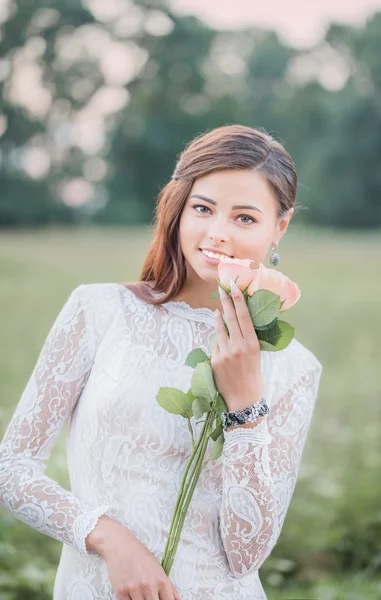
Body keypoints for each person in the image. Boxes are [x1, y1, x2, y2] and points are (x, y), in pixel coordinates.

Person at [0, 124, 323, 600]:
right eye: (203, 209)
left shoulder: (294, 366)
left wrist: (245, 403)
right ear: (178, 209)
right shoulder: (99, 312)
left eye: (245, 218)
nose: (218, 234)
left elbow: (246, 553)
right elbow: (11, 469)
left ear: (281, 226)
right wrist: (108, 539)